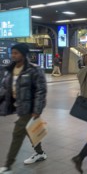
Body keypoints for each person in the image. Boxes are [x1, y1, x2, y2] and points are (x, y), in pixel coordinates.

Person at [0, 43, 47, 174]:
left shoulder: (34, 69)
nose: (13, 55)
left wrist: (37, 110)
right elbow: (4, 88)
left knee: (17, 134)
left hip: (30, 109)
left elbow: (41, 91)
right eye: (12, 53)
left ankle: (8, 166)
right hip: (19, 107)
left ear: (24, 54)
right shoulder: (10, 69)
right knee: (30, 131)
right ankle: (40, 153)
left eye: (16, 53)